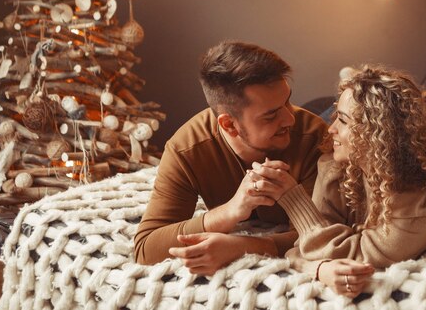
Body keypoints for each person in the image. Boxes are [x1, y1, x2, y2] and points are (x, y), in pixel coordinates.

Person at [251, 65, 426, 298]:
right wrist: (319, 269)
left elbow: (353, 253)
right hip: (379, 163)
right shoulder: (337, 168)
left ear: (379, 133)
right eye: (337, 118)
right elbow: (305, 246)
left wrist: (293, 199)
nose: (331, 128)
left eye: (343, 121)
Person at [134, 41, 328, 274]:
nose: (289, 118)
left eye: (287, 100)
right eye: (271, 115)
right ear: (229, 124)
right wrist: (229, 211)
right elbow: (146, 249)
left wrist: (244, 246)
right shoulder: (185, 149)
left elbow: (320, 235)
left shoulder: (314, 136)